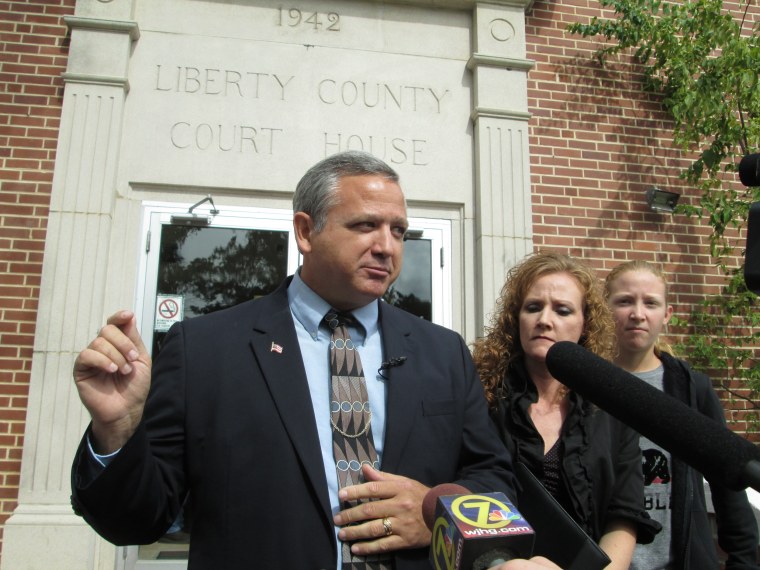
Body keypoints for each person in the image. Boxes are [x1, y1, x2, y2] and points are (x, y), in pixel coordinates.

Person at [69, 150, 518, 569]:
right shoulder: (205, 349)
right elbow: (137, 521)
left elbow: (494, 478)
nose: (388, 247)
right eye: (365, 226)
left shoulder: (442, 351)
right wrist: (118, 431)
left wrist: (437, 511)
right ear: (305, 231)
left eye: (398, 230)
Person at [472, 251, 660, 569]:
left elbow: (623, 517)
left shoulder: (613, 409)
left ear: (584, 325)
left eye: (562, 310)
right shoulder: (480, 399)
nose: (545, 320)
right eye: (533, 307)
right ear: (515, 318)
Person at [605, 260, 759, 570]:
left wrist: (744, 562)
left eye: (651, 303)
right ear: (603, 308)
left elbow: (727, 481)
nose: (638, 314)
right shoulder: (585, 384)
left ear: (667, 314)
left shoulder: (691, 388)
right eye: (624, 301)